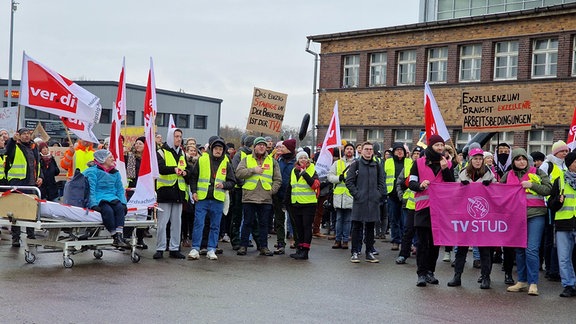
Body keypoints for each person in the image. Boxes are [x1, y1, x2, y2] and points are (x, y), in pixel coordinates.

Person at [503, 148, 551, 296]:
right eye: (517, 159)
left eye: (523, 158)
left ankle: (533, 283)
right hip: (516, 216)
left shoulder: (536, 172)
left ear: (527, 159)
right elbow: (497, 191)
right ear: (514, 161)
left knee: (531, 249)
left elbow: (548, 189)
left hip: (536, 215)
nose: (521, 161)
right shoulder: (508, 175)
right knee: (519, 249)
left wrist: (532, 185)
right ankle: (522, 281)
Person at [447, 147, 496, 289]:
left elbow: (497, 192)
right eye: (475, 158)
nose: (478, 161)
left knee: (484, 249)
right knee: (461, 248)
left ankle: (486, 277)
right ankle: (457, 276)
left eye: (480, 159)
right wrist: (461, 187)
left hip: (483, 218)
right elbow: (456, 193)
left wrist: (491, 186)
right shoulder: (463, 173)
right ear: (470, 159)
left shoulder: (489, 174)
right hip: (466, 217)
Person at [409, 135, 454, 286]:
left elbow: (451, 184)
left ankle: (430, 272)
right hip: (423, 208)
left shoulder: (446, 163)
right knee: (422, 243)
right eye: (437, 145)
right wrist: (420, 185)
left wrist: (445, 169)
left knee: (435, 243)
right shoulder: (419, 162)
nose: (440, 148)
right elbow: (411, 183)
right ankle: (421, 273)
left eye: (442, 145)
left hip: (439, 210)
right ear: (431, 146)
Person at [187, 138, 236, 261]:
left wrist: (224, 185)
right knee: (199, 223)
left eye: (220, 149)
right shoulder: (202, 159)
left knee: (215, 226)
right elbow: (193, 177)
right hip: (202, 198)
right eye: (216, 149)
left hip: (218, 199)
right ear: (211, 149)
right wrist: (193, 192)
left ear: (223, 151)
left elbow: (232, 182)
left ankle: (211, 249)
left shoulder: (226, 163)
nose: (218, 151)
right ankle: (195, 248)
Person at [235, 136, 282, 256]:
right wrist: (253, 170)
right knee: (247, 222)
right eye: (259, 145)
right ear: (254, 147)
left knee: (263, 223)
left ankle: (264, 247)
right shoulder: (246, 159)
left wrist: (271, 191)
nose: (262, 147)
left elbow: (278, 179)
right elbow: (239, 173)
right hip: (249, 196)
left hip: (265, 197)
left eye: (264, 145)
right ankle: (243, 246)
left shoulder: (272, 161)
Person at [345, 141, 386, 263]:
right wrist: (357, 195)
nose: (368, 151)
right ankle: (355, 252)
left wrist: (377, 194)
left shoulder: (377, 165)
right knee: (357, 227)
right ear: (361, 151)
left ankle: (369, 252)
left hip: (373, 202)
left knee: (370, 228)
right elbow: (349, 182)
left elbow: (382, 182)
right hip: (360, 201)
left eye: (370, 149)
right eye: (366, 149)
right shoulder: (356, 165)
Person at [154, 128, 191, 260]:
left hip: (178, 192)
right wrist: (174, 169)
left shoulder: (182, 152)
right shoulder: (161, 152)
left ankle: (174, 248)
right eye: (176, 136)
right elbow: (160, 168)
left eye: (180, 136)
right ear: (170, 137)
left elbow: (187, 168)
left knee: (177, 223)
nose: (179, 139)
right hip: (165, 192)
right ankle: (160, 248)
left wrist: (186, 172)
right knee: (162, 223)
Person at [83, 149, 130, 248]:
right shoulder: (92, 172)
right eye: (110, 157)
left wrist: (123, 203)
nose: (113, 159)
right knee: (108, 211)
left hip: (113, 197)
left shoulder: (115, 173)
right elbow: (91, 189)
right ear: (103, 159)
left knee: (119, 209)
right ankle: (115, 236)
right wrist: (93, 204)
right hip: (99, 198)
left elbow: (120, 190)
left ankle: (119, 235)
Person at [5, 128, 43, 247]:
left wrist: (40, 176)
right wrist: (12, 140)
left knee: (31, 210)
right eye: (24, 134)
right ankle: (15, 237)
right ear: (19, 136)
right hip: (18, 183)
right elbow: (8, 151)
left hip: (32, 184)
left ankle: (31, 235)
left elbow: (38, 163)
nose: (27, 136)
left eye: (28, 134)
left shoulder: (34, 147)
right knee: (17, 211)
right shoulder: (14, 146)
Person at [548, 151, 576, 297]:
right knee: (564, 257)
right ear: (570, 164)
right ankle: (569, 285)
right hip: (563, 224)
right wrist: (557, 202)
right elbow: (550, 204)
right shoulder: (560, 180)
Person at [539, 141, 568, 282]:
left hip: (564, 206)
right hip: (549, 205)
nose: (564, 153)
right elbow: (541, 182)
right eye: (562, 151)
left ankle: (555, 267)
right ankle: (549, 267)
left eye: (566, 151)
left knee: (559, 238)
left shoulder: (567, 165)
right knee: (550, 237)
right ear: (555, 152)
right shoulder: (548, 165)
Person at [284, 150, 319, 260]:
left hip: (309, 203)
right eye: (301, 158)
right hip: (296, 203)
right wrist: (286, 202)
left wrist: (305, 174)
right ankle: (299, 248)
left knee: (306, 227)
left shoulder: (312, 169)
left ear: (308, 159)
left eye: (305, 158)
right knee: (298, 228)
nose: (303, 160)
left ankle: (305, 251)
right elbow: (290, 187)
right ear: (297, 160)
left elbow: (315, 185)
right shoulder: (294, 170)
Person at [385, 142, 412, 251]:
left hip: (406, 194)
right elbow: (384, 176)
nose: (399, 152)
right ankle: (396, 240)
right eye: (397, 150)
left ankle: (406, 242)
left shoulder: (409, 161)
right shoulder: (388, 162)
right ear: (394, 152)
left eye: (401, 150)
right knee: (394, 219)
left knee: (406, 221)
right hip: (392, 194)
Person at [328, 142, 355, 249]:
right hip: (339, 196)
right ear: (344, 151)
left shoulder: (356, 163)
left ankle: (345, 240)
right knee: (339, 219)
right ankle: (337, 239)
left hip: (350, 195)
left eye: (351, 149)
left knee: (348, 220)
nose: (349, 150)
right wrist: (339, 178)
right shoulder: (337, 163)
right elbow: (330, 176)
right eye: (347, 149)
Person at [124, 136, 149, 249]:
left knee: (142, 216)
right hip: (133, 189)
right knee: (131, 215)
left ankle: (140, 238)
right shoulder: (131, 157)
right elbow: (129, 174)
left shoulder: (148, 159)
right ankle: (127, 237)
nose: (137, 145)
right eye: (136, 143)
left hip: (144, 190)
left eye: (140, 143)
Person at [273, 138, 296, 254]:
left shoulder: (295, 162)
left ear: (289, 149)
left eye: (283, 147)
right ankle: (280, 242)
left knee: (292, 219)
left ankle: (293, 238)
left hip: (292, 195)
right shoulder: (278, 160)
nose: (281, 148)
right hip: (278, 194)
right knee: (279, 220)